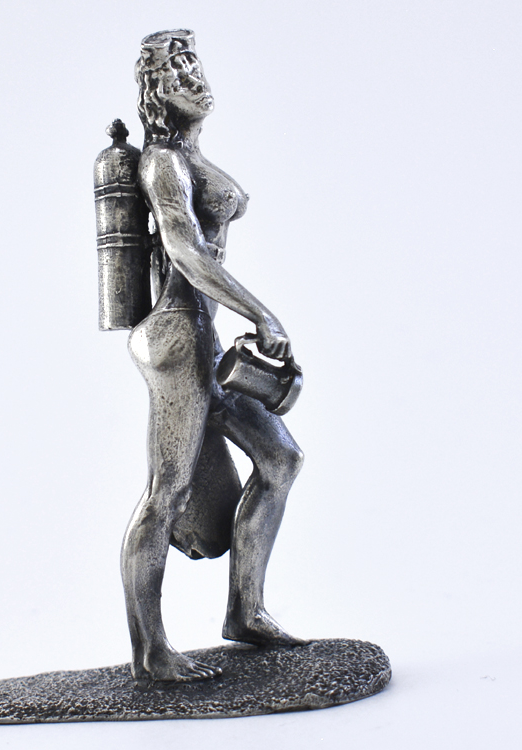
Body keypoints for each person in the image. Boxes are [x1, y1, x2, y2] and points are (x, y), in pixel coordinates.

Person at [121, 29, 305, 682]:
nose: (194, 78)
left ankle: (244, 612)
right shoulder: (161, 163)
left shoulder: (191, 157)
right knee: (165, 494)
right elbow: (185, 251)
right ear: (156, 92)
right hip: (176, 335)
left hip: (207, 336)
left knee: (280, 458)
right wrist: (262, 312)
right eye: (177, 71)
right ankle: (151, 651)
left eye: (195, 64)